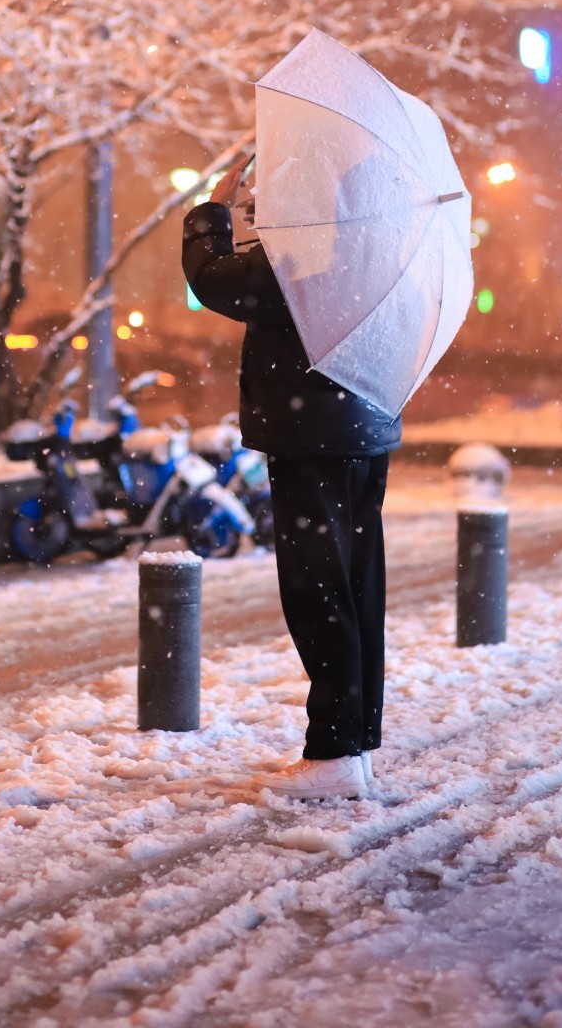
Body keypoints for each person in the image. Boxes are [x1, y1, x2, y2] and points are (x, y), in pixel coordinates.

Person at [181, 158, 402, 800]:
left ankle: (334, 754)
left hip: (313, 436)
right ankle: (352, 746)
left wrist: (211, 214)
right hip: (364, 427)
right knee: (358, 590)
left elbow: (217, 283)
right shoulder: (377, 247)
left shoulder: (313, 250)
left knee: (318, 591)